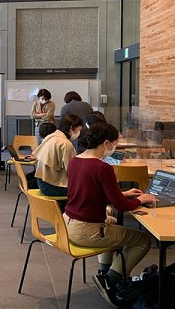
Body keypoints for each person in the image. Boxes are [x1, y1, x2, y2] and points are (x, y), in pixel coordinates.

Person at [63, 122, 156, 307]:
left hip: (67, 224)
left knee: (111, 221)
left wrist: (122, 193)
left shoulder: (75, 161)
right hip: (87, 230)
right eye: (115, 143)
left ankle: (104, 272)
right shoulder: (102, 167)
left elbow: (91, 192)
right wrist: (141, 199)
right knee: (143, 240)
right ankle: (111, 280)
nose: (114, 148)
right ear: (106, 143)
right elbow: (120, 206)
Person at [25, 114, 83, 197]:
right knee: (85, 190)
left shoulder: (51, 136)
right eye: (78, 130)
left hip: (42, 182)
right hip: (52, 186)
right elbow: (71, 170)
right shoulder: (65, 144)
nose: (79, 134)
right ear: (71, 127)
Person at [25, 122, 57, 189]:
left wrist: (38, 157)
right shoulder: (53, 143)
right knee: (28, 177)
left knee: (28, 179)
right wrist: (38, 157)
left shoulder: (48, 143)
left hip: (45, 174)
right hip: (47, 174)